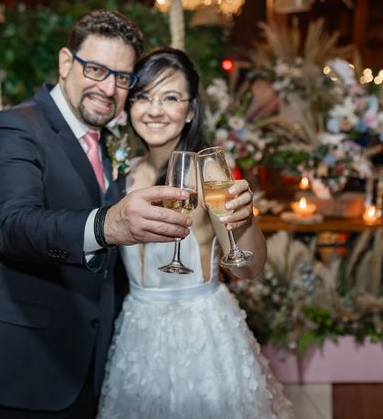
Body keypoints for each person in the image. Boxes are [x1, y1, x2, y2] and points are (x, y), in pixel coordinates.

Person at [0, 12, 193, 418]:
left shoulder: (109, 145)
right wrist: (108, 224)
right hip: (20, 370)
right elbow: (14, 227)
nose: (108, 87)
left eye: (122, 77)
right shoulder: (14, 128)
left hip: (89, 369)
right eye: (96, 69)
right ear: (66, 63)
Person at [98, 47, 295, 418]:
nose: (154, 110)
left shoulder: (211, 174)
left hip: (202, 329)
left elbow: (247, 269)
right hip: (137, 328)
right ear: (129, 107)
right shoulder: (120, 176)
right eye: (143, 97)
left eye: (170, 98)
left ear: (190, 111)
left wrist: (245, 218)